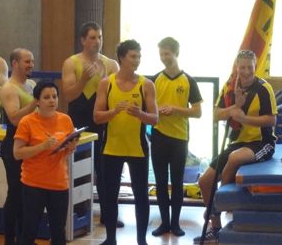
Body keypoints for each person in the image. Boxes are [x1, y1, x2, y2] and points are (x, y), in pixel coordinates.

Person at [194, 50, 277, 244]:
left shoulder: (264, 88)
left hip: (261, 142)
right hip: (237, 142)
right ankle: (216, 228)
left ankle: (220, 202)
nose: (246, 71)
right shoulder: (229, 87)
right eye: (242, 68)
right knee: (205, 181)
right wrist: (234, 108)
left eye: (250, 67)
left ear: (255, 67)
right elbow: (216, 115)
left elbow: (271, 120)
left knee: (235, 158)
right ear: (237, 68)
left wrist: (244, 118)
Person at [94, 39, 158, 245]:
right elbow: (97, 116)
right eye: (133, 56)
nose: (137, 60)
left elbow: (155, 119)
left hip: (137, 148)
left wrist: (140, 114)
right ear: (122, 58)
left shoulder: (146, 85)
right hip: (111, 148)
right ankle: (110, 239)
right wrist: (113, 112)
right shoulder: (107, 83)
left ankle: (141, 240)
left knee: (141, 196)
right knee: (109, 195)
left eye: (139, 56)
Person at [61, 21, 119, 225]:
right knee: (78, 167)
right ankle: (78, 213)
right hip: (79, 119)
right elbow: (68, 95)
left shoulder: (111, 65)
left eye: (99, 37)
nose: (97, 41)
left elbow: (116, 95)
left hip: (102, 120)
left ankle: (108, 215)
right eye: (93, 37)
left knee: (105, 170)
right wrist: (84, 79)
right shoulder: (71, 63)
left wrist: (104, 81)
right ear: (83, 40)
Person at [14, 80, 77, 245]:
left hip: (59, 183)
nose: (52, 100)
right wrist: (43, 146)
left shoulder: (66, 120)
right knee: (29, 230)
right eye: (47, 97)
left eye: (54, 96)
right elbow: (17, 153)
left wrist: (71, 147)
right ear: (37, 101)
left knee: (58, 231)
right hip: (33, 183)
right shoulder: (27, 122)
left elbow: (67, 152)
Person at [150, 37, 203, 237]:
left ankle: (175, 223)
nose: (164, 58)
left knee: (177, 182)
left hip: (180, 138)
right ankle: (164, 223)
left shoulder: (188, 80)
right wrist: (157, 111)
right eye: (161, 54)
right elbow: (147, 107)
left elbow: (197, 112)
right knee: (161, 182)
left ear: (176, 53)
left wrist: (175, 109)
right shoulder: (155, 79)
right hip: (158, 136)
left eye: (167, 54)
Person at [0, 48, 38, 245]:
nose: (31, 65)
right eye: (27, 62)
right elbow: (14, 118)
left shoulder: (31, 85)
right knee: (15, 193)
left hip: (30, 146)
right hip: (13, 146)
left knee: (27, 195)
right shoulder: (9, 88)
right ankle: (9, 239)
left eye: (32, 61)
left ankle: (25, 238)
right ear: (14, 63)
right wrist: (35, 103)